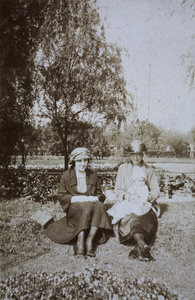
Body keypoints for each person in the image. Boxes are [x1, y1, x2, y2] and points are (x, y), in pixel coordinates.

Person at [46, 147, 114, 257]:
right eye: (79, 161)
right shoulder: (66, 175)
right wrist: (76, 199)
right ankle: (80, 241)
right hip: (75, 207)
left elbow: (100, 194)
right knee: (86, 207)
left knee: (100, 206)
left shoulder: (93, 175)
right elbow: (61, 195)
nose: (83, 164)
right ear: (73, 162)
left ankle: (89, 241)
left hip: (91, 204)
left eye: (85, 160)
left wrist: (95, 198)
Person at [115, 140, 160, 261]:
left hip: (144, 203)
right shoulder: (123, 169)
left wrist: (146, 197)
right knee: (131, 217)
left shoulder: (149, 170)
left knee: (143, 217)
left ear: (143, 154)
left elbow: (156, 190)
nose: (135, 157)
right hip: (128, 203)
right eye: (133, 154)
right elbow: (118, 189)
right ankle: (141, 244)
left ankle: (139, 246)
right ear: (129, 155)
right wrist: (127, 197)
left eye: (138, 154)